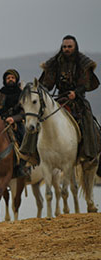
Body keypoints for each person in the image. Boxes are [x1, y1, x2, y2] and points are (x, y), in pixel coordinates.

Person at [38, 35, 100, 174]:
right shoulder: (55, 62)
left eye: (69, 47)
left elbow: (87, 83)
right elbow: (48, 82)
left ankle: (90, 155)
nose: (66, 49)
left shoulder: (83, 62)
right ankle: (30, 154)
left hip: (77, 100)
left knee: (88, 120)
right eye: (64, 47)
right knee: (38, 117)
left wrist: (76, 93)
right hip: (59, 99)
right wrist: (42, 89)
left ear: (75, 47)